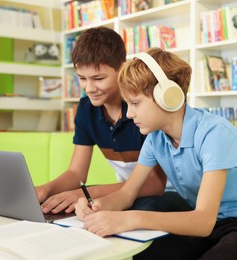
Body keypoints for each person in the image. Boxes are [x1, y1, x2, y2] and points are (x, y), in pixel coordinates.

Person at [74, 48, 237, 259]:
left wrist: (132, 219)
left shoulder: (214, 133)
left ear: (168, 96)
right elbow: (127, 194)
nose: (129, 113)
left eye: (136, 103)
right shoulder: (155, 139)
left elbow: (203, 221)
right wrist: (99, 206)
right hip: (211, 224)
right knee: (145, 256)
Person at [35, 27, 189, 216]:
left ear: (122, 69)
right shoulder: (86, 109)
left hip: (167, 192)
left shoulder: (143, 109)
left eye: (98, 78)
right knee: (74, 203)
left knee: (138, 206)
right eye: (82, 78)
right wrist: (46, 189)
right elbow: (76, 173)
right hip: (125, 191)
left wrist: (88, 193)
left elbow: (155, 185)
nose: (89, 88)